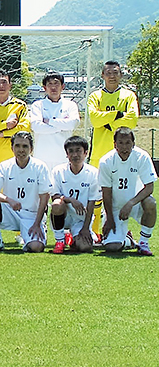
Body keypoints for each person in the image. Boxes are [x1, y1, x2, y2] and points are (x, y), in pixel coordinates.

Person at [88, 60, 139, 235]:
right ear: (102, 75)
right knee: (96, 194)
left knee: (121, 194)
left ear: (121, 75)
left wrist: (107, 122)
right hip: (99, 151)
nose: (112, 76)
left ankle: (121, 230)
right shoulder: (95, 96)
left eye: (115, 72)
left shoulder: (129, 95)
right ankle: (94, 231)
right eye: (108, 73)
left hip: (122, 154)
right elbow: (94, 119)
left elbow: (132, 120)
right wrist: (118, 114)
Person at [0, 131, 52, 253]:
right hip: (10, 211)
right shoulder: (5, 166)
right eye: (17, 146)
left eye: (25, 146)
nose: (21, 150)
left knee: (36, 247)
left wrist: (37, 224)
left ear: (31, 149)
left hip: (31, 215)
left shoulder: (40, 166)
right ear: (12, 148)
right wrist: (9, 200)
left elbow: (44, 198)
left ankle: (38, 229)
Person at [100, 127, 157, 255]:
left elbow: (149, 187)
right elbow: (106, 193)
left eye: (128, 143)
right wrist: (110, 218)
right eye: (120, 143)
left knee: (151, 203)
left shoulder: (142, 157)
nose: (124, 147)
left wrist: (131, 203)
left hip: (136, 204)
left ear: (133, 143)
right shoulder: (106, 161)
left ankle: (143, 242)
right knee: (112, 247)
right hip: (115, 207)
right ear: (115, 144)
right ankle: (128, 241)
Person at [49, 136, 99, 254]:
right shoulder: (58, 171)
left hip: (81, 219)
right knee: (57, 204)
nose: (75, 154)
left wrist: (86, 228)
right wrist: (71, 200)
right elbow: (55, 197)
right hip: (64, 215)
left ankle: (73, 238)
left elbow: (92, 203)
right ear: (67, 154)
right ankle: (60, 240)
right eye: (71, 151)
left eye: (78, 151)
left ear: (85, 153)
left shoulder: (93, 173)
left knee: (85, 248)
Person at [30, 72, 80, 171]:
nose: (53, 87)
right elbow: (36, 127)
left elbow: (73, 124)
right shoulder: (38, 105)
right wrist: (61, 127)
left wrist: (49, 121)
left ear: (63, 86)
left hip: (64, 157)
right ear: (44, 88)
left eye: (56, 83)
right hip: (42, 156)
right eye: (50, 84)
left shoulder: (70, 105)